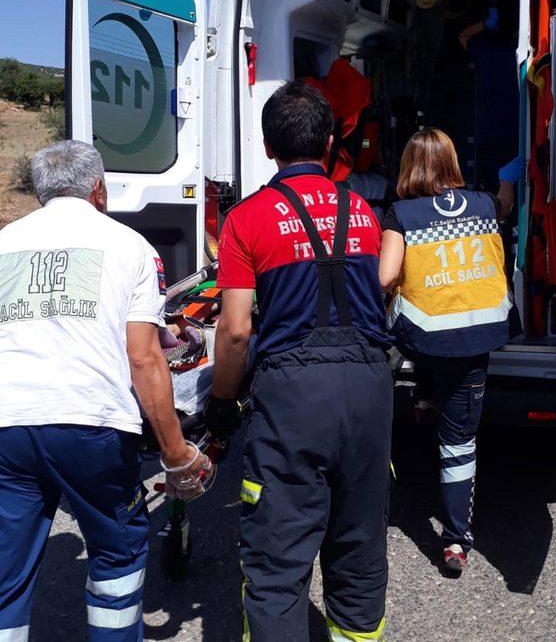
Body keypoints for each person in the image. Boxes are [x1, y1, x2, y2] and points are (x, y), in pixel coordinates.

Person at [0, 141, 211, 642]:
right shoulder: (129, 245)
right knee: (116, 556)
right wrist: (176, 452)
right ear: (98, 189)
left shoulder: (6, 242)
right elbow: (143, 357)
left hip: (8, 423)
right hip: (88, 424)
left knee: (7, 577)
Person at [204, 82, 393, 641]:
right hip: (368, 387)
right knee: (359, 547)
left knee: (277, 563)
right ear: (332, 141)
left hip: (292, 397)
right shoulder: (360, 209)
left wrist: (221, 402)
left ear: (267, 147)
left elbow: (235, 329)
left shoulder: (246, 219)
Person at [378, 129, 523, 575]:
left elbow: (384, 278)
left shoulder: (400, 214)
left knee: (414, 318)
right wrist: (509, 176)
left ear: (409, 167)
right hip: (473, 339)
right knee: (457, 444)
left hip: (427, 338)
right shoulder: (483, 205)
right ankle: (456, 541)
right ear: (452, 164)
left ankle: (422, 397)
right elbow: (506, 204)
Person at [459, 0, 520, 193]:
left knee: (494, 181)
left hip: (491, 126)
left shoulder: (486, 45)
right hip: (518, 128)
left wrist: (484, 25)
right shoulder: (522, 49)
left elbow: (463, 37)